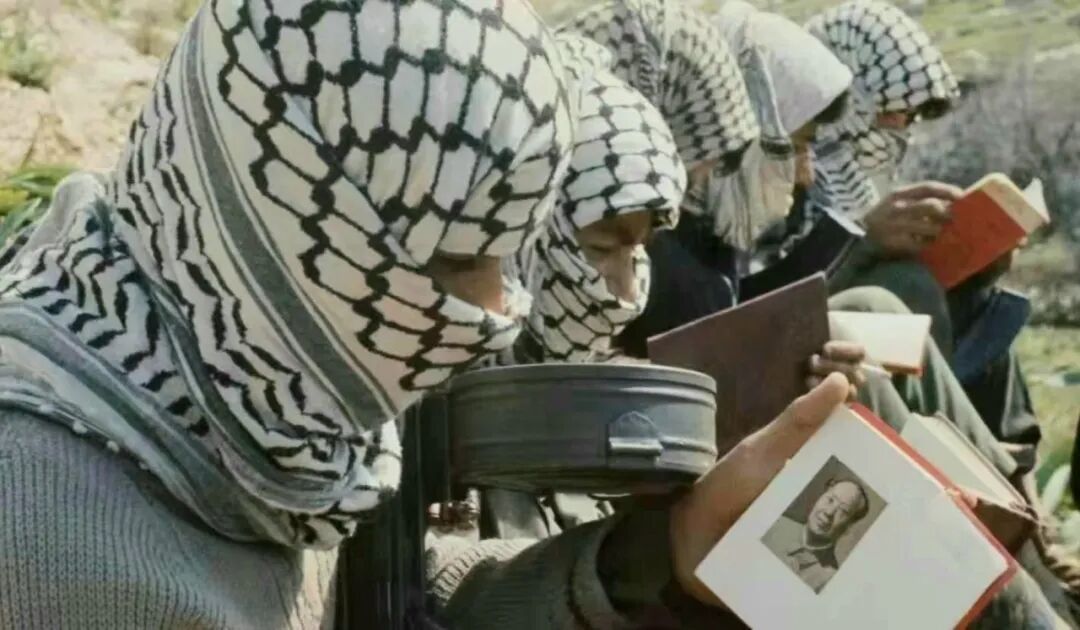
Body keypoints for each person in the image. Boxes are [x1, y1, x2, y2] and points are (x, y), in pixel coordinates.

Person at [765, 478, 870, 593]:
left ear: (848, 527)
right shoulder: (774, 525)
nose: (829, 512)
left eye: (843, 511)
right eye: (830, 499)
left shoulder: (830, 579)